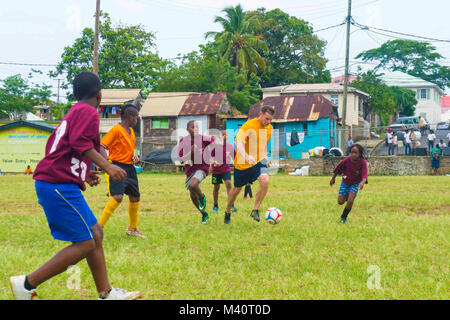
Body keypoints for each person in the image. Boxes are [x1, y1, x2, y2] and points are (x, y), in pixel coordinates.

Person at [9, 72, 141, 300]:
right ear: (99, 94)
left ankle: (106, 294)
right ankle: (27, 283)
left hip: (59, 183)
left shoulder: (74, 112)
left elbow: (60, 147)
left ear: (73, 94)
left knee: (96, 234)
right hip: (57, 185)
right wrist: (108, 167)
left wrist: (86, 171)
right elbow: (80, 144)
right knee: (85, 243)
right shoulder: (88, 111)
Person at [98, 104, 145, 238]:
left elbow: (126, 149)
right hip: (117, 166)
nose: (137, 119)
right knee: (117, 197)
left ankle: (132, 229)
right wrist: (107, 164)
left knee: (135, 197)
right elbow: (101, 146)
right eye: (136, 116)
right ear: (129, 117)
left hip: (130, 168)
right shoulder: (116, 130)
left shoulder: (131, 131)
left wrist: (133, 156)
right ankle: (98, 227)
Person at [223, 105, 274, 224]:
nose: (268, 122)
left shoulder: (269, 128)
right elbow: (238, 143)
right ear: (260, 114)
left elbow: (265, 143)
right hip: (243, 164)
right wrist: (246, 156)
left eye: (270, 120)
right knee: (236, 190)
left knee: (265, 180)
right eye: (266, 119)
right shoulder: (248, 125)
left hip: (259, 161)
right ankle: (227, 210)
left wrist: (265, 154)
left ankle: (255, 210)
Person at [178, 120, 214, 224]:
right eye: (193, 127)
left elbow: (213, 144)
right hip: (190, 170)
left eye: (197, 127)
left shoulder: (204, 139)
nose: (196, 129)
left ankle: (202, 197)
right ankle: (204, 214)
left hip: (202, 167)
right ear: (187, 129)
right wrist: (191, 152)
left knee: (193, 185)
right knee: (192, 195)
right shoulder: (183, 141)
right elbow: (181, 159)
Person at [330, 144, 368, 224]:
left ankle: (343, 218)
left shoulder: (362, 162)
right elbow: (337, 169)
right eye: (352, 152)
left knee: (350, 201)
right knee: (340, 202)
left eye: (355, 153)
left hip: (355, 183)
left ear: (360, 154)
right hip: (345, 182)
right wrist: (333, 178)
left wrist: (362, 183)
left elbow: (364, 175)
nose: (353, 154)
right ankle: (347, 195)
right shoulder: (346, 160)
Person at [210, 130, 236, 214]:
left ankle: (231, 205)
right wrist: (214, 162)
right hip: (216, 171)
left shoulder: (230, 146)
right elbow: (210, 157)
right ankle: (215, 205)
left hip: (225, 169)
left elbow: (235, 158)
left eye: (226, 135)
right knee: (216, 187)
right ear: (220, 137)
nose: (225, 137)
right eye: (223, 135)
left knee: (228, 184)